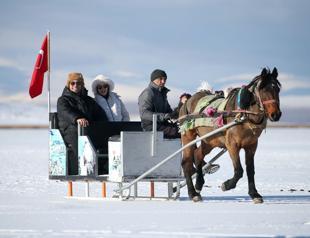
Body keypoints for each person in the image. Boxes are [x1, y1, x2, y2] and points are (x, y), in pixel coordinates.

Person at [57, 72, 108, 175]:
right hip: (70, 131)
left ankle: (103, 167)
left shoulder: (88, 100)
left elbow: (100, 114)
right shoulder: (63, 100)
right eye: (73, 83)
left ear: (82, 85)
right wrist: (77, 118)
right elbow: (65, 112)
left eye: (78, 83)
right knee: (80, 141)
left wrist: (103, 125)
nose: (75, 85)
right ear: (68, 84)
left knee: (104, 136)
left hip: (88, 130)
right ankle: (84, 169)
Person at [138, 69, 180, 139]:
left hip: (162, 125)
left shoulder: (162, 93)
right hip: (151, 127)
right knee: (180, 132)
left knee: (185, 129)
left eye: (165, 79)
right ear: (153, 79)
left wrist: (177, 112)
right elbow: (144, 113)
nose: (163, 81)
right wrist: (164, 116)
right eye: (160, 79)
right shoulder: (148, 93)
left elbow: (168, 111)